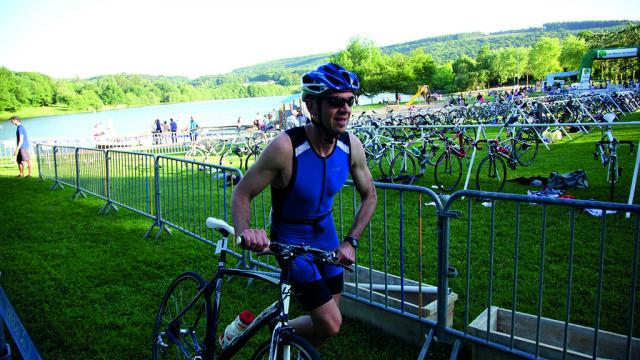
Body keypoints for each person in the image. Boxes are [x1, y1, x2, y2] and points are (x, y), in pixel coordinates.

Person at [231, 63, 377, 348]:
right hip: (290, 243)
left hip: (327, 239)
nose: (345, 109)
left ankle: (282, 336)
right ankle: (277, 334)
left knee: (323, 328)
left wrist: (351, 242)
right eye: (335, 102)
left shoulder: (351, 146)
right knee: (332, 323)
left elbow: (370, 195)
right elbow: (242, 193)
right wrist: (245, 230)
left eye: (349, 101)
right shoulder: (285, 148)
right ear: (312, 106)